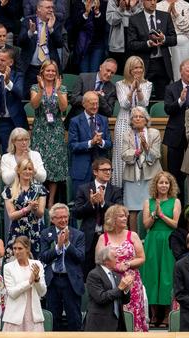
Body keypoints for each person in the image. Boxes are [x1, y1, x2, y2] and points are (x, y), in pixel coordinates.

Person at [95, 205, 147, 331]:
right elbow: (98, 260)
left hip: (132, 282)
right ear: (112, 219)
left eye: (126, 216)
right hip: (111, 282)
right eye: (121, 216)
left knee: (133, 313)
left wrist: (128, 264)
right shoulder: (103, 238)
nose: (125, 219)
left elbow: (141, 258)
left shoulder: (132, 235)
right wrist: (116, 266)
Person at [141, 171, 181, 328]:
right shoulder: (148, 202)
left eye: (166, 183)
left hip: (169, 241)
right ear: (155, 185)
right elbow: (145, 225)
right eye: (161, 182)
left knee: (166, 275)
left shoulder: (175, 202)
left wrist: (162, 215)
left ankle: (166, 315)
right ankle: (154, 314)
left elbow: (176, 224)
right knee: (151, 275)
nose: (163, 185)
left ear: (170, 185)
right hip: (152, 241)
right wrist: (154, 215)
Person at [39, 203, 85, 331]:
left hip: (71, 281)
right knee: (53, 317)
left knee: (74, 317)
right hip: (53, 280)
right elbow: (43, 257)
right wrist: (58, 247)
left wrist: (68, 244)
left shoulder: (78, 234)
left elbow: (80, 257)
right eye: (59, 217)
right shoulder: (45, 234)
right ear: (52, 219)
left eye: (65, 217)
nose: (63, 220)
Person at [74, 158, 124, 276]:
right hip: (89, 238)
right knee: (87, 274)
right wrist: (90, 203)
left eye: (110, 170)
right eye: (104, 170)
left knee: (109, 274)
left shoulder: (116, 190)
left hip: (109, 236)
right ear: (95, 172)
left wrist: (103, 203)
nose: (108, 172)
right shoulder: (84, 189)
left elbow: (119, 211)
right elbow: (77, 213)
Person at [29, 59, 68, 206]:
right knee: (40, 164)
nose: (50, 73)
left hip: (56, 130)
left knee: (54, 166)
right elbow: (34, 104)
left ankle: (50, 202)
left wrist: (57, 90)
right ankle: (39, 199)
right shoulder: (35, 87)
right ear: (42, 72)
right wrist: (41, 89)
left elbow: (64, 108)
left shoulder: (62, 88)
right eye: (48, 70)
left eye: (53, 71)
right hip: (40, 130)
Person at [113, 56, 153, 188]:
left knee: (140, 152)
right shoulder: (120, 84)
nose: (138, 70)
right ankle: (120, 189)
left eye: (140, 67)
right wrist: (131, 90)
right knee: (123, 155)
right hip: (124, 121)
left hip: (140, 122)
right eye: (135, 67)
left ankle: (138, 189)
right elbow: (124, 104)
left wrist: (139, 89)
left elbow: (144, 103)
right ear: (129, 69)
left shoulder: (147, 84)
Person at [122, 107, 162, 232]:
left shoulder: (154, 133)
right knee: (132, 209)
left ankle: (150, 236)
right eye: (135, 117)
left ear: (146, 120)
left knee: (150, 207)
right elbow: (124, 154)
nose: (138, 119)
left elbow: (156, 154)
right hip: (132, 176)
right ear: (131, 120)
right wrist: (137, 152)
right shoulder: (126, 134)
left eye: (141, 116)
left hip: (151, 175)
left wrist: (146, 147)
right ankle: (134, 238)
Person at [163, 59, 189, 196]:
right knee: (174, 173)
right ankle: (175, 203)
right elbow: (168, 109)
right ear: (181, 71)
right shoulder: (171, 88)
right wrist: (181, 100)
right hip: (175, 136)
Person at [127, 0, 177, 99]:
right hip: (144, 64)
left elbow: (174, 40)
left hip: (162, 63)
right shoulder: (134, 19)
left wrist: (164, 39)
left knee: (162, 98)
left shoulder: (165, 16)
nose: (153, 3)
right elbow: (131, 44)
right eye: (149, 0)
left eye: (155, 0)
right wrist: (148, 43)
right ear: (142, 2)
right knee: (142, 98)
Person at [3, 159, 48, 260]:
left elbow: (40, 213)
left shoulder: (40, 189)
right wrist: (27, 209)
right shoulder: (9, 190)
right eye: (24, 169)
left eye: (30, 169)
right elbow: (11, 215)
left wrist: (34, 209)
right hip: (17, 231)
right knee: (15, 262)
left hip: (35, 231)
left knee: (36, 263)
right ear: (18, 171)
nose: (27, 171)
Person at [18, 0, 67, 92]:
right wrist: (30, 33)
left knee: (49, 98)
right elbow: (20, 42)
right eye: (48, 7)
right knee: (28, 98)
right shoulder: (28, 21)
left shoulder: (56, 21)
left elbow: (60, 44)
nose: (51, 10)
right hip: (30, 69)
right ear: (39, 9)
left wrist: (51, 29)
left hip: (49, 71)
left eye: (52, 8)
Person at [68, 91, 113, 189]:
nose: (95, 106)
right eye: (92, 104)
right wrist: (90, 143)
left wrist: (101, 142)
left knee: (101, 202)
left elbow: (109, 143)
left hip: (100, 170)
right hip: (82, 170)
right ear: (84, 104)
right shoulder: (75, 121)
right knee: (81, 202)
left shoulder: (104, 120)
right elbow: (72, 146)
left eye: (97, 103)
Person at [2, 236, 47, 332]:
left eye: (20, 248)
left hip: (34, 315)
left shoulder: (37, 264)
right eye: (14, 248)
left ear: (27, 249)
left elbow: (42, 292)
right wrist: (29, 282)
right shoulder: (8, 267)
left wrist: (37, 279)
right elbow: (12, 293)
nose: (17, 252)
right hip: (15, 317)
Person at [84, 247, 134, 331]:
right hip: (99, 324)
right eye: (115, 257)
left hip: (118, 324)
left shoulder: (117, 275)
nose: (117, 260)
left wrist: (126, 289)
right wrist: (120, 288)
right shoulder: (94, 275)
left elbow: (125, 301)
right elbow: (101, 298)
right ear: (106, 261)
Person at [68, 0, 109, 73]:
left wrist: (97, 13)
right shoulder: (77, 4)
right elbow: (75, 25)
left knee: (94, 72)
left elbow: (102, 27)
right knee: (84, 73)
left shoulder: (103, 4)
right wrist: (86, 13)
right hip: (82, 45)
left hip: (97, 44)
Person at [156, 0, 189, 81]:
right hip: (165, 38)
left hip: (183, 37)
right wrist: (167, 15)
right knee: (171, 41)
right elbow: (158, 29)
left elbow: (187, 26)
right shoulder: (158, 5)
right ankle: (173, 85)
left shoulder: (185, 4)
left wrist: (176, 14)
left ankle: (181, 81)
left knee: (179, 41)